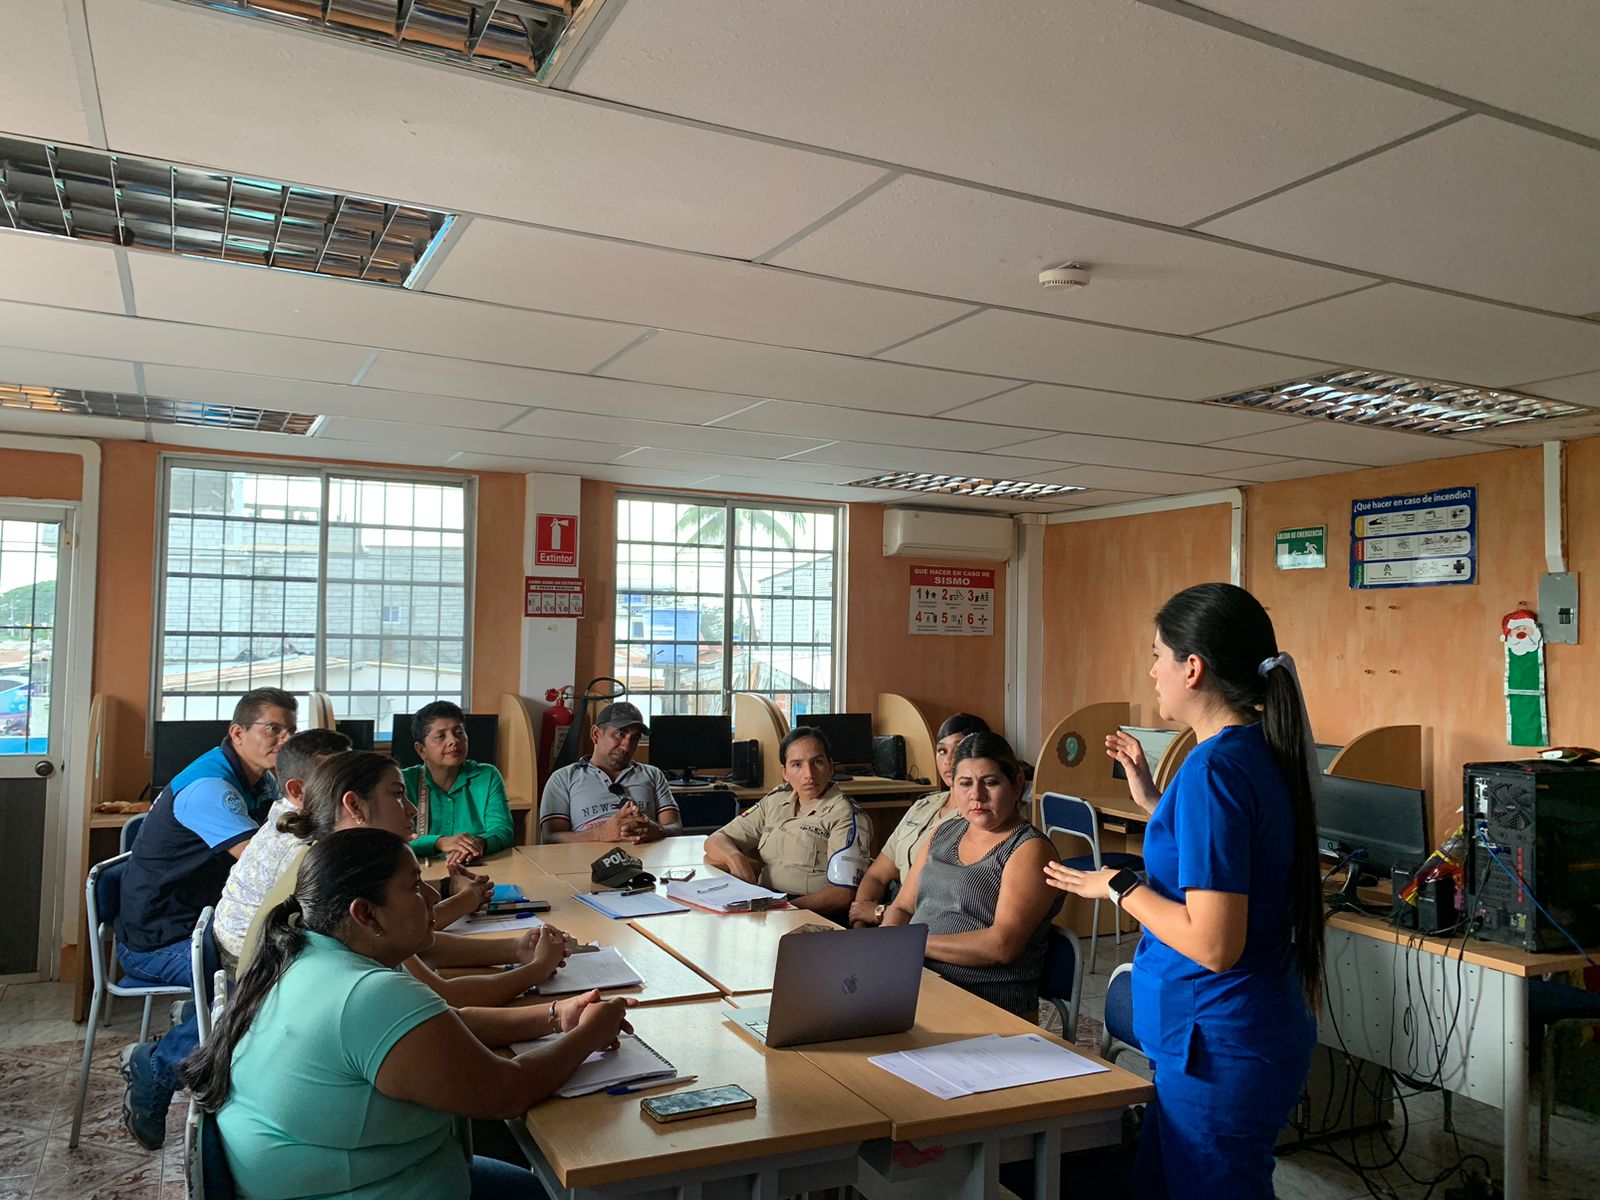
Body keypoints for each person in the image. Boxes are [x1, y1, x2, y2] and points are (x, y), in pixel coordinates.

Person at [1044, 582, 1323, 1199]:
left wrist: (1118, 885)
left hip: (1219, 1041)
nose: (1152, 672)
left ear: (1192, 668)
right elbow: (1220, 847)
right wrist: (1153, 800)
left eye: (1157, 656)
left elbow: (1215, 943)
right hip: (1234, 1031)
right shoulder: (1255, 750)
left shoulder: (1213, 769)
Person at [183, 827, 634, 1200]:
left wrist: (553, 1016)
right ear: (366, 914)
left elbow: (439, 1031)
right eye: (414, 886)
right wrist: (589, 1035)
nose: (431, 895)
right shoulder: (367, 995)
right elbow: (507, 1092)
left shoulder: (309, 951)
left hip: (345, 1174)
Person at [241, 752, 562, 1027]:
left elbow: (417, 947)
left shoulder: (328, 856)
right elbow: (442, 997)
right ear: (354, 805)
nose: (412, 809)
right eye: (397, 795)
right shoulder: (341, 877)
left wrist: (515, 949)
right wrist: (536, 971)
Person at [119, 687, 297, 1150]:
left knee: (280, 965)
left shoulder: (259, 780)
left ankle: (194, 1018)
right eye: (273, 729)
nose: (284, 740)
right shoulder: (211, 788)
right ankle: (157, 1066)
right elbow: (263, 867)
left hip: (203, 924)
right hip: (159, 939)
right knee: (256, 989)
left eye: (291, 731)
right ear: (237, 733)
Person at [883, 732, 1060, 1016]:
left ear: (1016, 784)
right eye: (965, 783)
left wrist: (912, 944)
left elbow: (1002, 946)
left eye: (990, 782)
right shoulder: (944, 833)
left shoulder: (1029, 849)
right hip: (921, 983)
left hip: (985, 1002)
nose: (976, 795)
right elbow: (903, 906)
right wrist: (887, 944)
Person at [212, 727, 352, 970]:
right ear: (297, 790)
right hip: (253, 963)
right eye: (336, 782)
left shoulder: (288, 815)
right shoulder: (301, 843)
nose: (353, 790)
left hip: (247, 948)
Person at [703, 726, 872, 918]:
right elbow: (716, 840)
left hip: (809, 911)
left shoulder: (844, 814)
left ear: (831, 767)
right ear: (784, 772)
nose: (809, 774)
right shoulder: (775, 801)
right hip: (765, 903)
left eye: (817, 762)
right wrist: (735, 859)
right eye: (797, 765)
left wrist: (782, 910)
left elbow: (843, 894)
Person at [849, 712, 990, 927]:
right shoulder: (924, 805)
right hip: (887, 921)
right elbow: (876, 875)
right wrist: (860, 922)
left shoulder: (978, 819)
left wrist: (879, 913)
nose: (948, 761)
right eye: (942, 751)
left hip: (923, 927)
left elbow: (947, 906)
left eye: (958, 749)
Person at [539, 701, 681, 843]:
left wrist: (656, 830)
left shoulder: (653, 775)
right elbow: (550, 838)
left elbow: (675, 827)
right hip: (589, 856)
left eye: (635, 737)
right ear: (596, 734)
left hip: (646, 854)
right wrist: (601, 834)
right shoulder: (564, 778)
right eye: (620, 734)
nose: (627, 745)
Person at [403, 701, 513, 867]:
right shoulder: (403, 782)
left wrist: (478, 843)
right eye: (441, 736)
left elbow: (502, 830)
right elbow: (393, 838)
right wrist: (439, 843)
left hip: (475, 870)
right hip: (420, 875)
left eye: (459, 732)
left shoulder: (487, 775)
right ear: (421, 750)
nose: (453, 740)